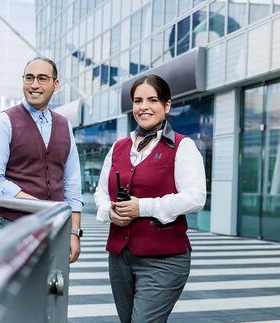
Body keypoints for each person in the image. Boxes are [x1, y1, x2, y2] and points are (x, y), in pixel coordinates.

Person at [94, 74, 206, 322]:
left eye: (152, 99)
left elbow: (196, 197)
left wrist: (141, 207)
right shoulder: (118, 147)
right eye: (138, 100)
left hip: (164, 260)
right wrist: (108, 211)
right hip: (120, 258)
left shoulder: (182, 146)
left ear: (166, 105)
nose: (143, 107)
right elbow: (101, 191)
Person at [0, 57, 83, 263]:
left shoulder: (65, 125)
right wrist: (40, 206)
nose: (34, 85)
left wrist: (74, 232)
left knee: (51, 292)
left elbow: (72, 183)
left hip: (55, 228)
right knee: (13, 293)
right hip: (13, 226)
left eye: (42, 78)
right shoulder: (3, 122)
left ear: (55, 84)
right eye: (29, 78)